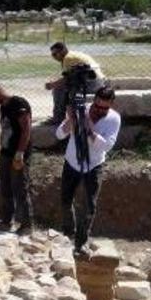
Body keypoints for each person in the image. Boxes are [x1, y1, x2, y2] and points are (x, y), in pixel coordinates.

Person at [55, 86, 121, 256]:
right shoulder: (80, 111)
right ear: (93, 101)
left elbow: (106, 146)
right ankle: (69, 234)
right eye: (97, 106)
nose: (99, 110)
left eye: (104, 108)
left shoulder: (114, 119)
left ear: (111, 105)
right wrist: (71, 121)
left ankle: (81, 243)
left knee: (89, 206)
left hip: (94, 165)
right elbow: (59, 135)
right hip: (72, 162)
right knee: (65, 200)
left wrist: (88, 129)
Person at [0, 81, 34, 235]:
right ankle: (7, 221)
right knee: (5, 187)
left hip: (18, 154)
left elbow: (26, 129)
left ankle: (26, 225)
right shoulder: (3, 107)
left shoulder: (18, 103)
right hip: (5, 152)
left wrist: (20, 153)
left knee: (19, 188)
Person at [45, 42, 106, 125]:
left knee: (58, 89)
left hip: (92, 83)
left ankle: (58, 118)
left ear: (63, 51)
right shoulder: (72, 55)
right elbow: (71, 76)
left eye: (55, 54)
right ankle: (61, 117)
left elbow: (66, 79)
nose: (54, 57)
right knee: (61, 87)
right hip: (97, 82)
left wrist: (52, 85)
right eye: (52, 55)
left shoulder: (68, 58)